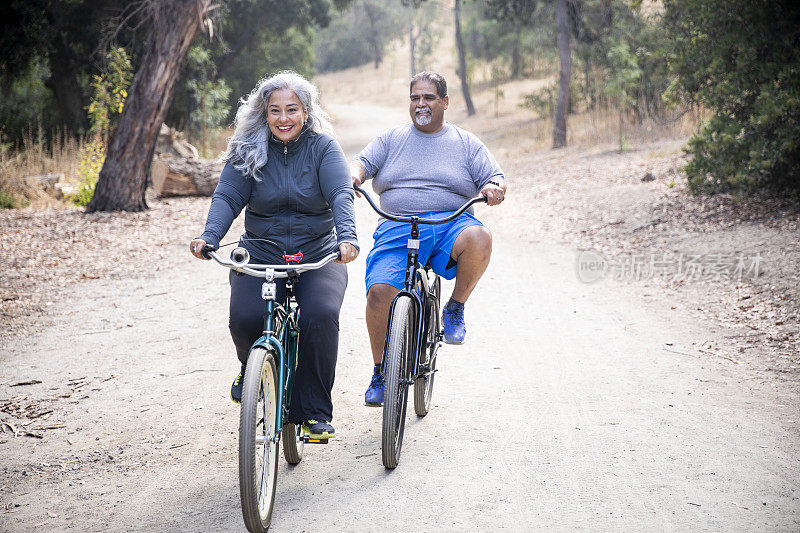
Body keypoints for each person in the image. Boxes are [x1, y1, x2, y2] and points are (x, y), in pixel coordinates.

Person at [190, 71, 359, 439]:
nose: (284, 118)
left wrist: (347, 238)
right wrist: (210, 236)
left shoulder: (323, 148)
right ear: (264, 114)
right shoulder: (246, 148)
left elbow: (340, 194)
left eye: (292, 110)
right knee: (244, 317)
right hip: (262, 251)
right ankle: (250, 368)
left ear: (306, 111)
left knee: (321, 314)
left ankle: (314, 411)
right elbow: (227, 197)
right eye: (275, 110)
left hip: (317, 252)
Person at [351, 71, 507, 406]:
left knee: (480, 237)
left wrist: (494, 188)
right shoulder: (392, 139)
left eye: (429, 98)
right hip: (398, 224)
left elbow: (494, 176)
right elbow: (361, 163)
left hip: (451, 223)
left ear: (445, 102)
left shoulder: (465, 142)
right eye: (415, 98)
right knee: (379, 294)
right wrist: (354, 176)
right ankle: (381, 371)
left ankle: (455, 307)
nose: (421, 104)